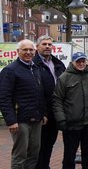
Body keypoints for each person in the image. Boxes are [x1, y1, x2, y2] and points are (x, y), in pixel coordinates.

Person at [53, 52, 88, 169]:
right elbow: (57, 100)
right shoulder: (64, 78)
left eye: (83, 61)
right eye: (78, 61)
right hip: (71, 125)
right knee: (69, 155)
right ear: (73, 62)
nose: (81, 63)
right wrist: (61, 119)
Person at [0, 39, 46, 169]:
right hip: (20, 121)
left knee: (34, 153)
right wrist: (10, 121)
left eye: (31, 50)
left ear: (35, 51)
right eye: (25, 50)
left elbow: (39, 93)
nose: (28, 52)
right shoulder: (10, 70)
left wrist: (43, 114)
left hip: (36, 119)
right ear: (18, 52)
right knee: (20, 155)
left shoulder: (35, 68)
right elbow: (4, 97)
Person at [33, 36, 66, 169]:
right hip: (42, 113)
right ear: (37, 47)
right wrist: (42, 113)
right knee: (39, 145)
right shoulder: (33, 64)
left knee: (49, 144)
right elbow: (35, 91)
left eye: (50, 44)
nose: (47, 46)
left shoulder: (58, 64)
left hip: (56, 112)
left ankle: (45, 166)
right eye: (44, 44)